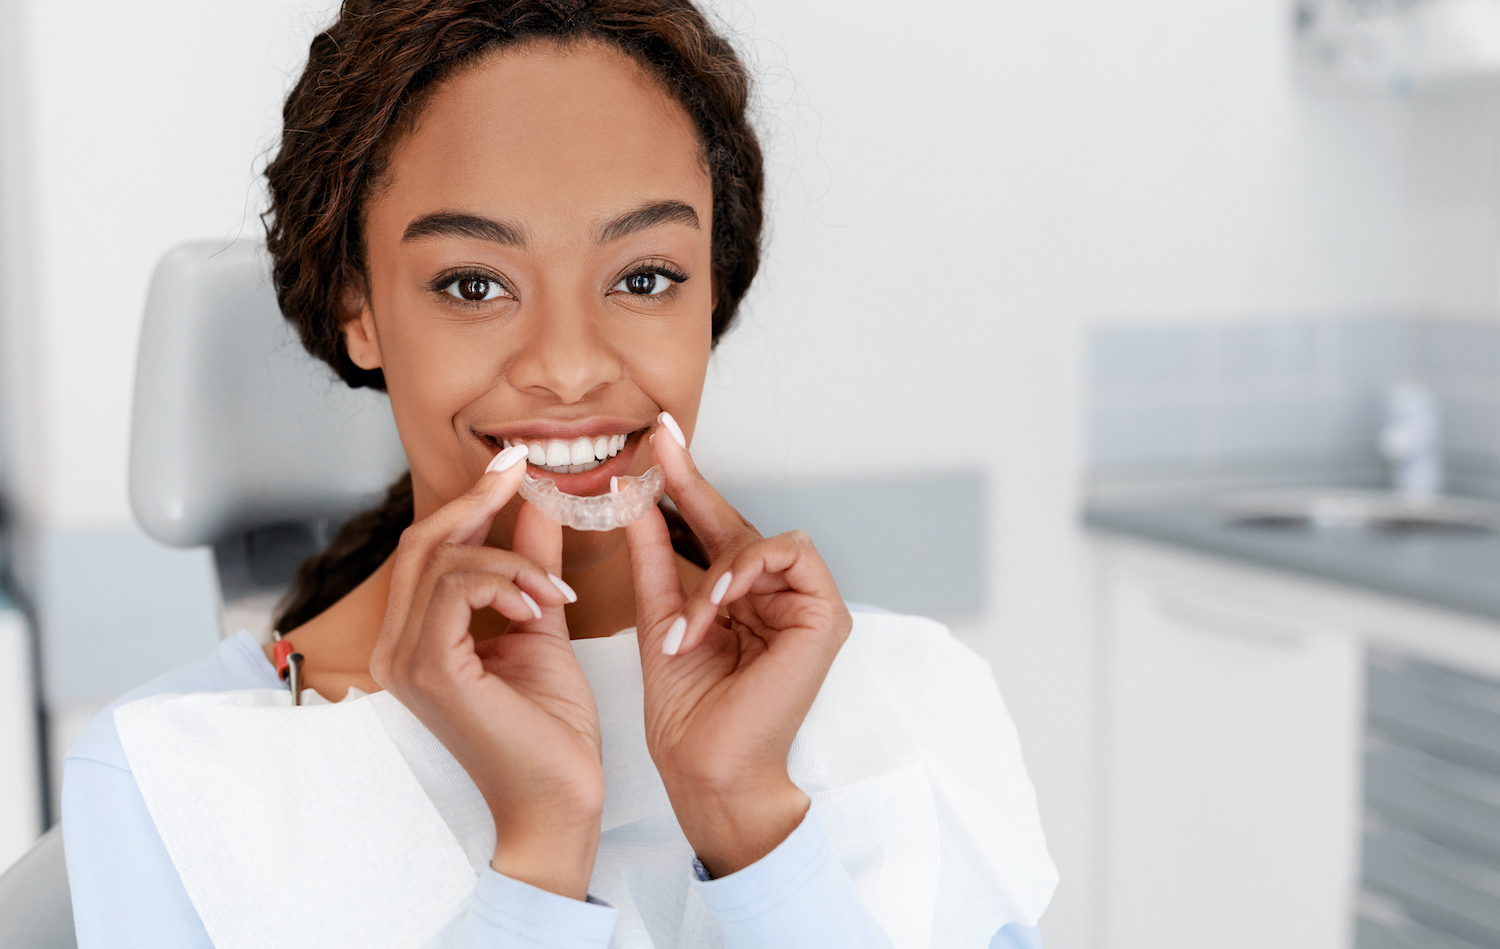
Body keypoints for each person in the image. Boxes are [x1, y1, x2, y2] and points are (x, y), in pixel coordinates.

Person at [61, 2, 1055, 946]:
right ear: (359, 306)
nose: (571, 365)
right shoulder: (178, 782)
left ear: (712, 290)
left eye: (644, 277)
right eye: (474, 283)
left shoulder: (909, 701)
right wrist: (538, 849)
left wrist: (749, 819)